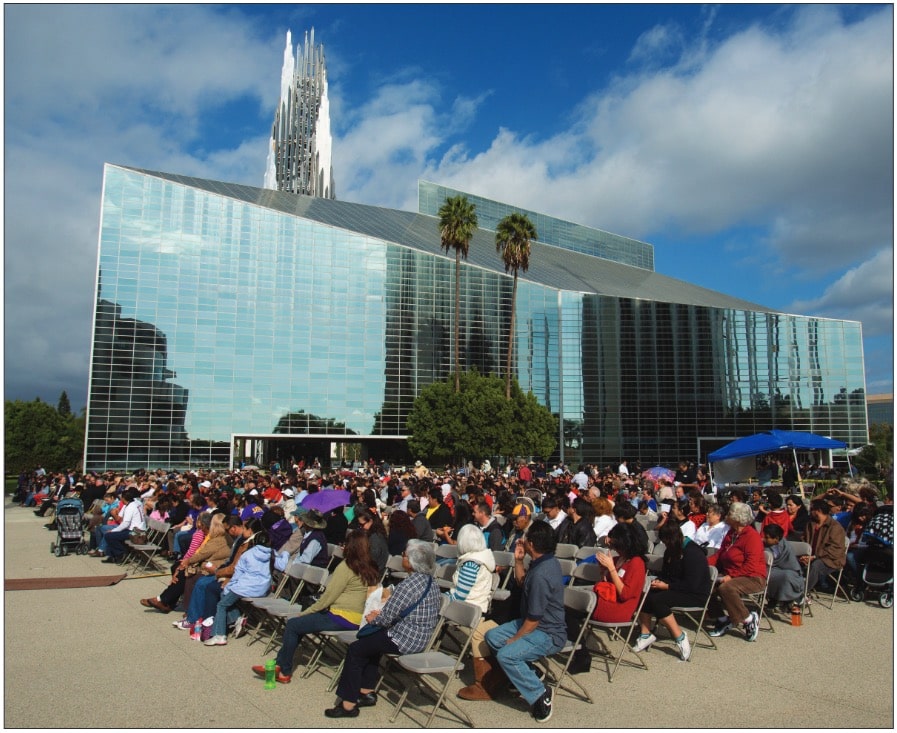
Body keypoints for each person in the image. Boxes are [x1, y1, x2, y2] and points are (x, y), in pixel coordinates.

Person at [324, 540, 441, 718]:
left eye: (404, 555)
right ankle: (367, 691)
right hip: (419, 636)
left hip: (404, 639)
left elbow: (386, 617)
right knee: (371, 645)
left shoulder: (408, 585)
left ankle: (348, 704)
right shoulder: (431, 582)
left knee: (356, 650)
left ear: (410, 561)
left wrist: (373, 617)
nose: (402, 557)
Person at [252, 530, 382, 683]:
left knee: (294, 624)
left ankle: (283, 670)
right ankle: (278, 666)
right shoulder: (370, 568)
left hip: (340, 616)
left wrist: (307, 612)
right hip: (357, 618)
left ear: (350, 546)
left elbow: (328, 597)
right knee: (299, 626)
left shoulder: (346, 567)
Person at [484, 520, 566, 723]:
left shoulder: (542, 573)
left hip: (547, 632)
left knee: (506, 654)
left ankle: (540, 694)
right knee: (492, 637)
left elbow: (534, 619)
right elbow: (522, 583)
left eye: (526, 539)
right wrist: (518, 561)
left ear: (532, 544)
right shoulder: (542, 562)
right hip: (532, 624)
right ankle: (530, 672)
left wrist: (515, 639)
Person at [631, 521, 711, 661]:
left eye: (666, 541)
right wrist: (658, 581)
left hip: (694, 594)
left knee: (658, 600)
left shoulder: (693, 553)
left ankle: (679, 636)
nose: (665, 545)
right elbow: (667, 575)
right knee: (645, 594)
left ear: (672, 539)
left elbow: (692, 584)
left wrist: (667, 586)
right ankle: (645, 634)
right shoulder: (671, 550)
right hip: (675, 587)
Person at [203, 533, 291, 646]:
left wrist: (229, 587)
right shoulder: (272, 554)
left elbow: (237, 574)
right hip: (263, 589)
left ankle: (219, 635)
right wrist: (285, 554)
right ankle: (237, 619)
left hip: (245, 587)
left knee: (222, 604)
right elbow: (282, 565)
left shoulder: (247, 554)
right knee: (225, 598)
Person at [707, 502, 766, 642]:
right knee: (704, 582)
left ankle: (748, 618)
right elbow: (719, 555)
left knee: (726, 587)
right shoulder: (731, 533)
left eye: (729, 514)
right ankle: (722, 618)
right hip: (730, 574)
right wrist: (702, 564)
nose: (726, 516)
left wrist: (731, 576)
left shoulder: (752, 536)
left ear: (737, 517)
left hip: (752, 577)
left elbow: (750, 565)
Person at [799, 499, 847, 601]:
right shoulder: (810, 524)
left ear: (818, 511)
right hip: (810, 556)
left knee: (816, 565)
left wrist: (814, 556)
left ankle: (802, 593)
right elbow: (803, 540)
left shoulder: (835, 527)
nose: (810, 512)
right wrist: (804, 554)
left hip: (830, 560)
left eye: (812, 509)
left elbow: (835, 549)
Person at [761, 524, 804, 612]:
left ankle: (784, 599)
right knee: (768, 574)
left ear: (776, 539)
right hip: (771, 568)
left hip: (789, 569)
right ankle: (775, 597)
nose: (764, 539)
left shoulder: (786, 547)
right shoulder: (765, 545)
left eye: (767, 537)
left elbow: (792, 564)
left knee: (787, 576)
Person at [102, 488, 147, 564]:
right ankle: (112, 556)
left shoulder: (130, 507)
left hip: (135, 532)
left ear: (123, 498)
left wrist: (113, 530)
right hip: (136, 529)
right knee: (110, 535)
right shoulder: (137, 503)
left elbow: (125, 524)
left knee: (109, 536)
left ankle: (121, 553)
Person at [355, 507, 388, 574]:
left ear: (370, 521)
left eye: (362, 524)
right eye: (359, 525)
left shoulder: (375, 538)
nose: (361, 527)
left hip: (372, 572)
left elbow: (371, 559)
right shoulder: (372, 534)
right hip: (369, 569)